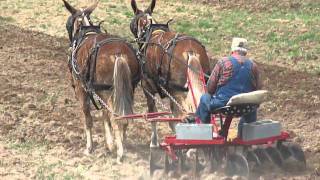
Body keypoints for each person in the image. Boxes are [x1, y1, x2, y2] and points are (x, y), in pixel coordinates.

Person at [191, 38, 262, 136]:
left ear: (232, 49)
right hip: (246, 107)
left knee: (205, 98)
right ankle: (244, 136)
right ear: (246, 51)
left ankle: (204, 132)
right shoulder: (253, 66)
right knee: (252, 109)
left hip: (223, 105)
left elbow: (210, 88)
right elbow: (258, 90)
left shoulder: (223, 62)